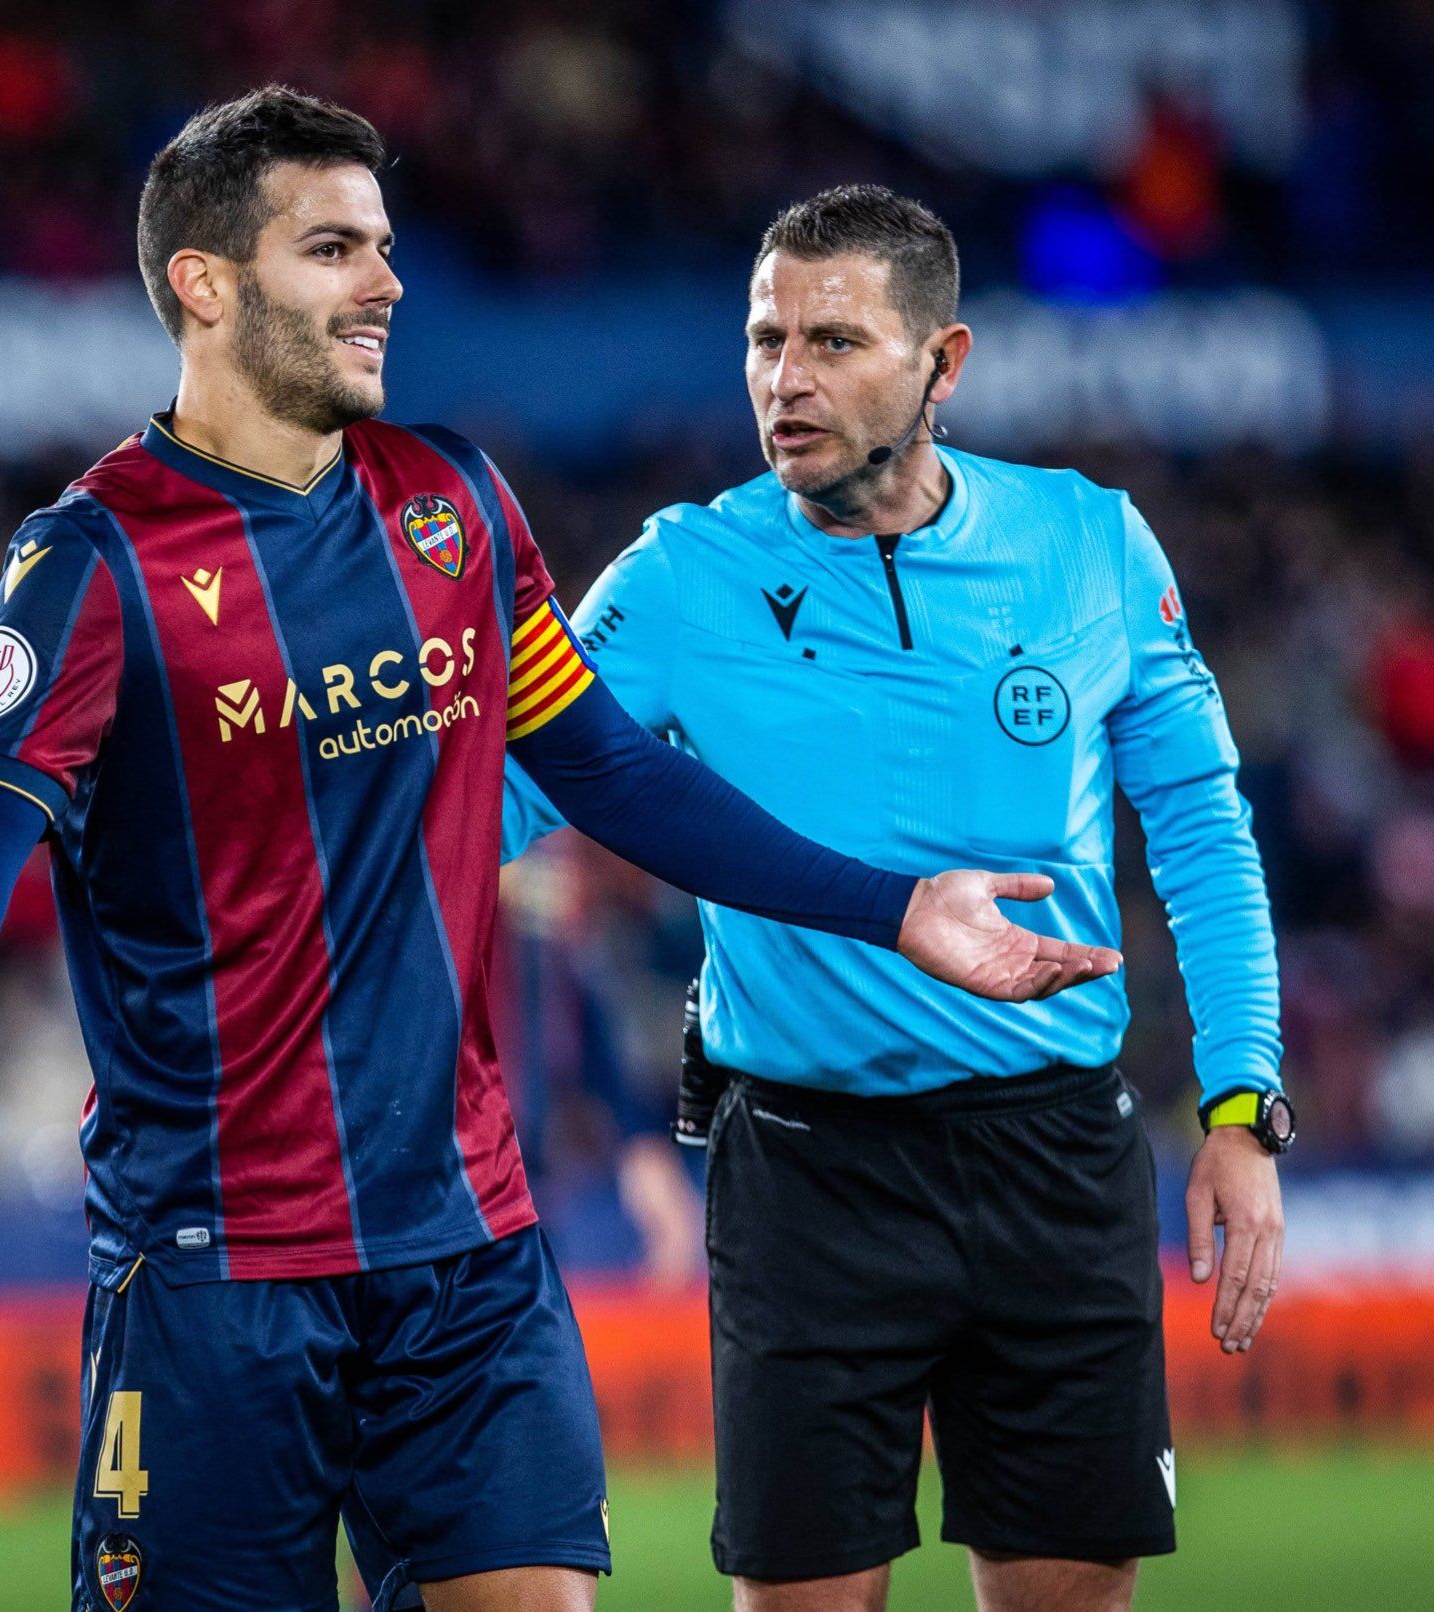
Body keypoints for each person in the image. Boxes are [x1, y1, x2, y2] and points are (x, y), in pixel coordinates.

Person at [0, 99, 1119, 1612]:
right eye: (333, 249)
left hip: (467, 1245)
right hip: (218, 1264)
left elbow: (610, 771)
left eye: (382, 245)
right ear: (206, 284)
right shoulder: (95, 561)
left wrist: (893, 908)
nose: (386, 281)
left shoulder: (452, 503)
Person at [502, 185, 1291, 1612]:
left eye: (834, 341)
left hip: (1054, 1157)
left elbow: (1201, 828)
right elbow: (489, 799)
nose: (785, 378)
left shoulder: (1091, 543)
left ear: (943, 361)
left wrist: (1241, 1106)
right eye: (765, 339)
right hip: (807, 1173)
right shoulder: (681, 575)